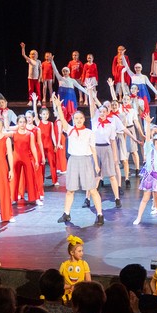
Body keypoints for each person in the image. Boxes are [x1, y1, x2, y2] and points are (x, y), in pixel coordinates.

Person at [51, 97, 103, 227]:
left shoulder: (89, 133)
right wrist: (58, 106)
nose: (78, 120)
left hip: (86, 161)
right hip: (73, 160)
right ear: (73, 120)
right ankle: (66, 213)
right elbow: (62, 119)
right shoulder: (70, 130)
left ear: (84, 119)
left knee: (92, 189)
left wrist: (96, 165)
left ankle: (100, 214)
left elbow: (93, 149)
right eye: (76, 118)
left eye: (80, 118)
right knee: (70, 190)